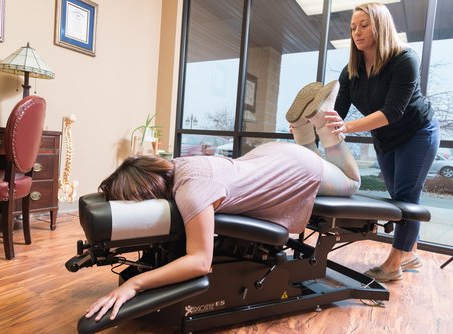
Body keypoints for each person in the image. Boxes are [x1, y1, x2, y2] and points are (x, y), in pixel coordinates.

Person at [85, 80, 360, 321]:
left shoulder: (191, 191)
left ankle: (322, 121)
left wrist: (135, 284)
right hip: (274, 156)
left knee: (351, 182)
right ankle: (301, 128)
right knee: (324, 165)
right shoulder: (179, 165)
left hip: (297, 168)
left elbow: (200, 262)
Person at [321, 2, 440, 282]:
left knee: (407, 197)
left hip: (417, 133)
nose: (357, 32)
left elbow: (393, 111)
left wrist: (347, 127)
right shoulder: (352, 70)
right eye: (353, 27)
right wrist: (310, 121)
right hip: (386, 138)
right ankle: (410, 253)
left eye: (364, 25)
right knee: (398, 197)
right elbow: (335, 110)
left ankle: (394, 264)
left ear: (381, 26)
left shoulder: (404, 60)